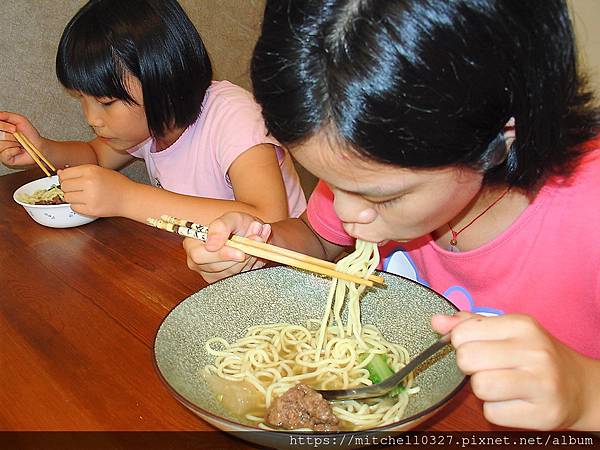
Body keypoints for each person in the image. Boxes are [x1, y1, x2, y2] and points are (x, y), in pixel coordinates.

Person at [183, 0, 600, 431]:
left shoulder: (589, 210)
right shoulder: (365, 166)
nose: (345, 212)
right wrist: (260, 246)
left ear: (499, 140)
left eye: (383, 198)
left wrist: (585, 394)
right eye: (329, 181)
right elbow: (319, 238)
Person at [0, 0, 306, 225]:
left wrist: (127, 198)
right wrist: (43, 149)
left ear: (162, 78)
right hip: (203, 267)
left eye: (106, 102)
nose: (91, 118)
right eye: (82, 98)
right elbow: (94, 156)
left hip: (277, 278)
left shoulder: (234, 117)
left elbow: (269, 219)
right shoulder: (148, 125)